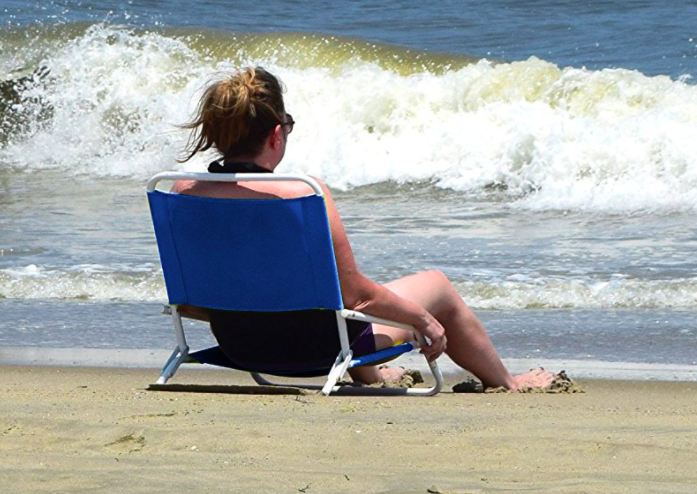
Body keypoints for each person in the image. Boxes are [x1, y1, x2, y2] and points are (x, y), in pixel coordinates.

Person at [173, 67, 554, 391]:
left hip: (239, 347)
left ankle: (371, 374)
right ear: (276, 134)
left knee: (320, 307)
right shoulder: (300, 193)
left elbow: (192, 299)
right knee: (435, 288)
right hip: (315, 352)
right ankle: (508, 382)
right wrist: (424, 320)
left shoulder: (183, 191)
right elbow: (358, 298)